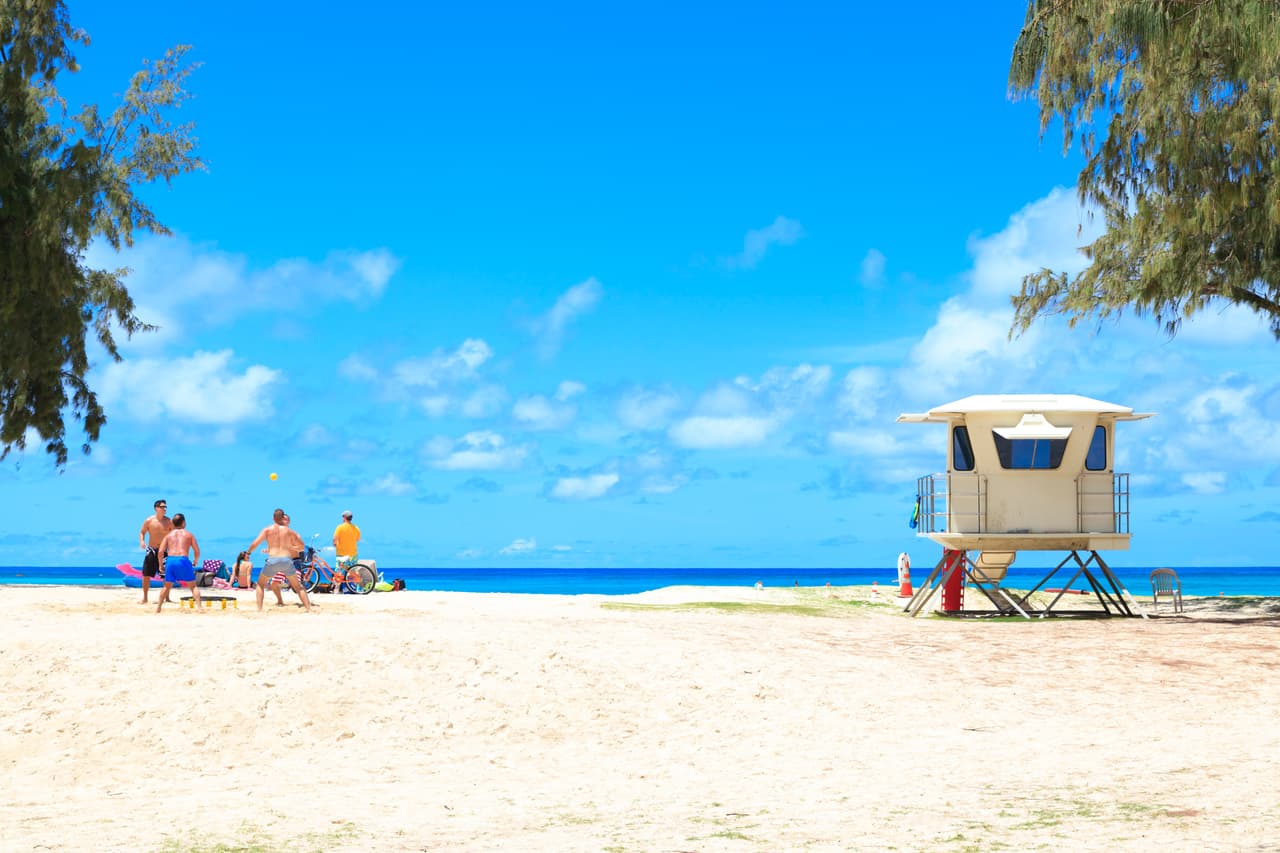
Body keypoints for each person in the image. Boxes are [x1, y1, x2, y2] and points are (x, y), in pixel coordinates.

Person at [244, 508, 313, 613]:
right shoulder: (290, 532)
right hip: (287, 561)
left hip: (273, 561)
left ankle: (259, 609)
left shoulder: (267, 530)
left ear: (273, 518)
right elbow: (302, 546)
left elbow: (255, 543)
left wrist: (248, 553)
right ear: (282, 518)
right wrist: (291, 547)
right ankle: (309, 609)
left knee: (260, 584)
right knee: (298, 586)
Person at [156, 513, 201, 613]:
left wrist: (160, 565)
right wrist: (195, 561)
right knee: (193, 586)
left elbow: (160, 552)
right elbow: (197, 551)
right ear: (184, 523)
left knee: (166, 586)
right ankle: (199, 608)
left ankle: (158, 608)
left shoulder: (168, 536)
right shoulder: (189, 534)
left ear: (173, 523)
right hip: (183, 559)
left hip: (171, 560)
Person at [137, 499, 174, 604]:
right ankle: (145, 598)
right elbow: (142, 532)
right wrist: (142, 541)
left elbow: (174, 533)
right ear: (156, 508)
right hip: (152, 550)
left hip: (164, 550)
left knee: (166, 575)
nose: (165, 509)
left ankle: (167, 597)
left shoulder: (168, 521)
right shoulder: (149, 520)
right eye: (162, 507)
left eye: (165, 507)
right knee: (146, 574)